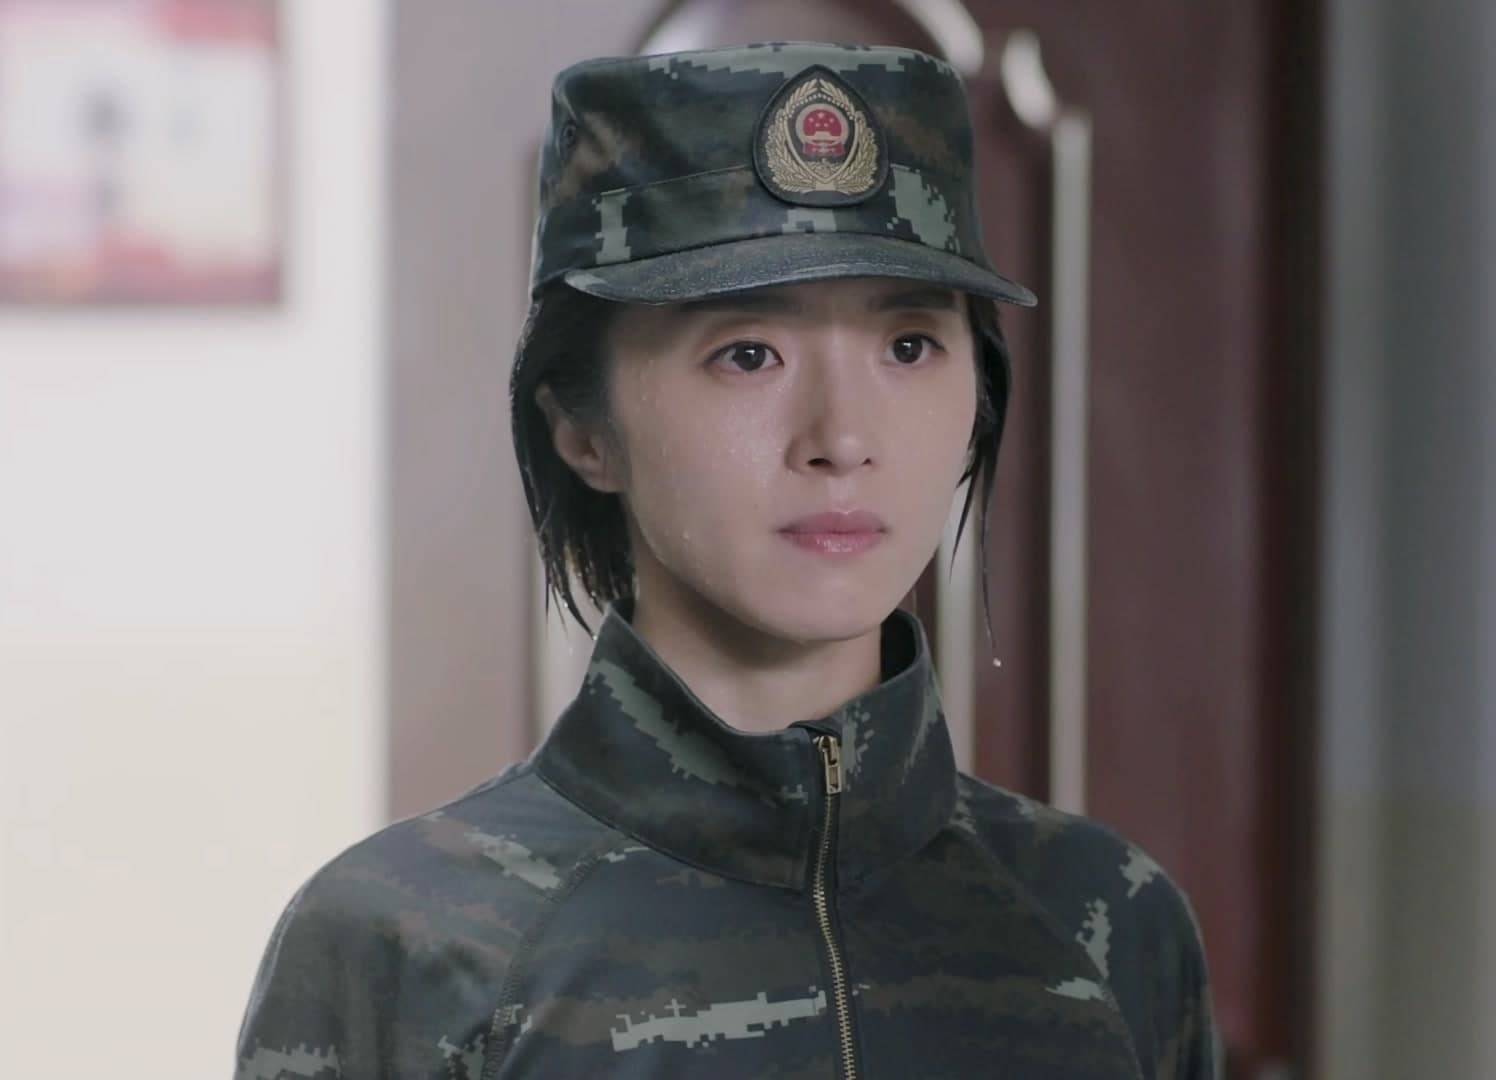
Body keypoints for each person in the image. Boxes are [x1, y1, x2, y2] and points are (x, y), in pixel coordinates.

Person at [235, 41, 1218, 1079]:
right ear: (581, 428)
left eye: (909, 347)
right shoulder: (409, 943)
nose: (843, 438)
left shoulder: (1110, 923)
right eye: (749, 354)